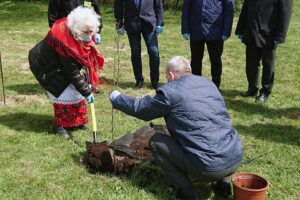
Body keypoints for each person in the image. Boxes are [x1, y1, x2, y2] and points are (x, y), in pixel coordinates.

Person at [109, 56, 243, 199]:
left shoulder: (171, 92)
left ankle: (186, 192)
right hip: (235, 156)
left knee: (155, 141)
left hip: (207, 167)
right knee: (214, 129)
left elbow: (142, 109)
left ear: (171, 75)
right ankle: (223, 184)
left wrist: (117, 98)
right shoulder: (208, 83)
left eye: (166, 77)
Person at [29, 6, 104, 140]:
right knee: (62, 93)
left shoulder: (79, 30)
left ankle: (77, 122)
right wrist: (87, 91)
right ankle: (60, 126)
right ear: (77, 30)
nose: (89, 35)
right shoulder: (65, 43)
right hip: (47, 67)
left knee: (76, 92)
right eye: (86, 32)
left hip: (59, 65)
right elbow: (73, 72)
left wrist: (85, 87)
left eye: (91, 32)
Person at [235, 0, 292, 102]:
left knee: (268, 65)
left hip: (269, 34)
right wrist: (240, 29)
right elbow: (245, 9)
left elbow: (285, 12)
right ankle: (252, 89)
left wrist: (280, 36)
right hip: (251, 31)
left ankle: (265, 92)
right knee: (251, 63)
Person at [48, 0, 104, 94]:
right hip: (66, 36)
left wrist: (97, 31)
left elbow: (96, 11)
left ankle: (91, 84)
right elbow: (52, 17)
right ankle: (68, 84)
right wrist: (59, 33)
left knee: (89, 60)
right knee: (69, 62)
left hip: (87, 33)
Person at [181, 0, 234, 89]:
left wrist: (226, 31)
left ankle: (216, 86)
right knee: (195, 60)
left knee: (215, 60)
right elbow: (186, 9)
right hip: (196, 30)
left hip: (216, 31)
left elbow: (229, 10)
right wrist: (185, 29)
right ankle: (196, 85)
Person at [114, 0, 164, 89]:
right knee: (135, 53)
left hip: (149, 22)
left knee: (154, 52)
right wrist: (119, 24)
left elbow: (158, 4)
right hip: (131, 22)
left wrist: (160, 22)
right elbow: (118, 6)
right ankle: (139, 80)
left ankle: (155, 81)